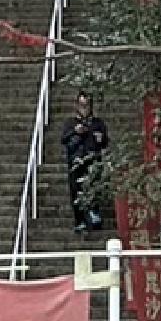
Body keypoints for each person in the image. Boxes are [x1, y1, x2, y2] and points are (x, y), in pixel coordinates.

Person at [62, 90, 112, 235]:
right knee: (76, 190)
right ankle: (80, 221)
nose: (84, 108)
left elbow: (105, 142)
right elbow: (64, 140)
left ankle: (95, 215)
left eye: (87, 105)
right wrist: (75, 132)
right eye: (81, 104)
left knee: (94, 187)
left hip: (93, 161)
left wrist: (100, 139)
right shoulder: (70, 123)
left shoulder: (97, 123)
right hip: (76, 161)